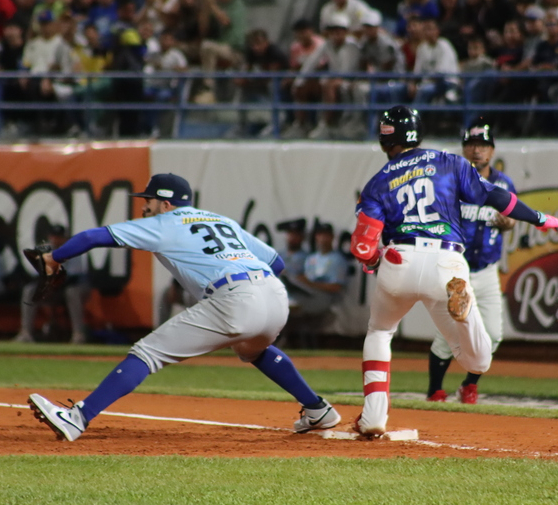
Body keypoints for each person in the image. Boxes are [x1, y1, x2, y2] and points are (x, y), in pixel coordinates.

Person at [27, 173, 341, 441]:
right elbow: (277, 263)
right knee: (254, 350)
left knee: (147, 353)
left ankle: (77, 418)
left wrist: (54, 258)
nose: (144, 206)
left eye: (148, 200)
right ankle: (317, 409)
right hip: (274, 295)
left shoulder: (163, 223)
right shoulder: (220, 219)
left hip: (235, 297)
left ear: (166, 204)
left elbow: (92, 236)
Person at [350, 106, 558, 437]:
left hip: (400, 259)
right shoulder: (448, 162)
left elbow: (362, 245)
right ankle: (464, 314)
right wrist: (539, 218)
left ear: (384, 141)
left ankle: (373, 417)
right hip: (447, 263)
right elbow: (495, 195)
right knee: (477, 362)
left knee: (380, 332)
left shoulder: (376, 183)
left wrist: (373, 260)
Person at [426, 119, 516, 404]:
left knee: (494, 335)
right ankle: (435, 391)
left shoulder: (503, 183)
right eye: (472, 144)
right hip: (456, 269)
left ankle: (469, 385)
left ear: (492, 150)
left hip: (487, 269)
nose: (477, 150)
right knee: (448, 335)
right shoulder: (451, 180)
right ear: (464, 149)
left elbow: (512, 218)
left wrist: (509, 223)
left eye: (483, 145)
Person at [14, 225, 90, 344]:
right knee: (29, 290)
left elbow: (73, 277)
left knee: (72, 292)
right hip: (49, 287)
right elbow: (34, 274)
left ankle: (78, 334)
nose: (56, 239)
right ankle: (25, 333)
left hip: (70, 286)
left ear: (65, 238)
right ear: (50, 237)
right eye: (54, 236)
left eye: (60, 237)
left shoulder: (75, 249)